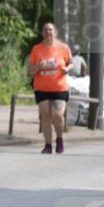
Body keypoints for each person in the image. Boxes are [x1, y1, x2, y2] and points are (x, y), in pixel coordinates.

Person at [28, 22, 73, 154]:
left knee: (57, 115)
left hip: (59, 88)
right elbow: (29, 70)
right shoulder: (37, 49)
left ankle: (59, 139)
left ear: (55, 33)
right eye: (45, 30)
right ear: (43, 33)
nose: (48, 32)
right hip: (41, 88)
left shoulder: (63, 48)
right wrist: (38, 67)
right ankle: (48, 145)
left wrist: (67, 69)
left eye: (51, 30)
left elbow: (71, 63)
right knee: (45, 117)